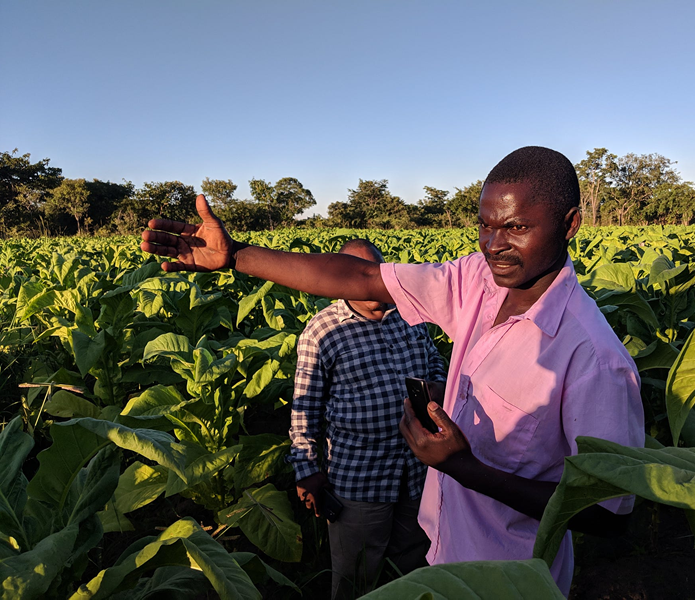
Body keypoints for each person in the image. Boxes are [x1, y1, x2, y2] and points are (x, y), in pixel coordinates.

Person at [141, 146, 644, 596]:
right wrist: (236, 256)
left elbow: (609, 513)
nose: (493, 244)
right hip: (442, 550)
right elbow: (362, 276)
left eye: (516, 228)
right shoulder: (478, 281)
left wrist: (462, 466)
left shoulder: (594, 358)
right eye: (485, 226)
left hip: (510, 579)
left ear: (571, 224)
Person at [287, 238, 446, 598]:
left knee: (414, 565)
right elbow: (305, 406)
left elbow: (433, 358)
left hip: (418, 470)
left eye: (373, 272)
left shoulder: (409, 314)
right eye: (355, 274)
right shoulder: (323, 329)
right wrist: (306, 469)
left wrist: (436, 387)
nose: (367, 282)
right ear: (340, 279)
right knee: (356, 575)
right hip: (360, 477)